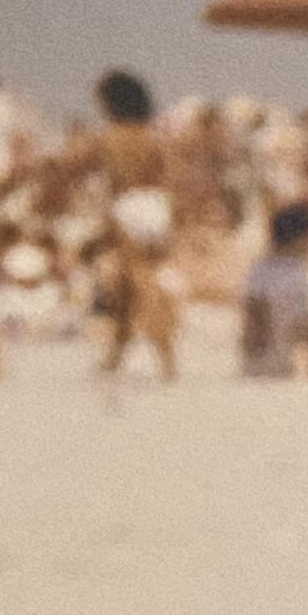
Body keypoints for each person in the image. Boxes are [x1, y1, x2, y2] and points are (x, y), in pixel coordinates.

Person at [88, 68, 182, 382]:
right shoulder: (152, 137)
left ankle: (166, 358)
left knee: (139, 283)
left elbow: (106, 179)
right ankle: (115, 356)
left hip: (127, 208)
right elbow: (168, 177)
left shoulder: (109, 137)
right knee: (132, 286)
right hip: (155, 205)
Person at [238, 201, 308, 380]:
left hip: (267, 361)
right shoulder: (294, 276)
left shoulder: (260, 270)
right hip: (276, 363)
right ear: (302, 238)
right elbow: (301, 330)